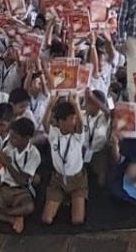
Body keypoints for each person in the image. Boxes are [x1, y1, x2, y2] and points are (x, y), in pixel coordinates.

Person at [41, 95, 87, 225]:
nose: (74, 121)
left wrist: (76, 105)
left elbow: (81, 125)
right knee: (46, 219)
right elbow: (45, 124)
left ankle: (72, 198)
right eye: (71, 119)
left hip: (77, 180)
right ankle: (63, 198)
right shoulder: (54, 134)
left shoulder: (77, 136)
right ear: (61, 121)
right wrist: (50, 105)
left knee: (77, 220)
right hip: (58, 179)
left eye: (75, 118)